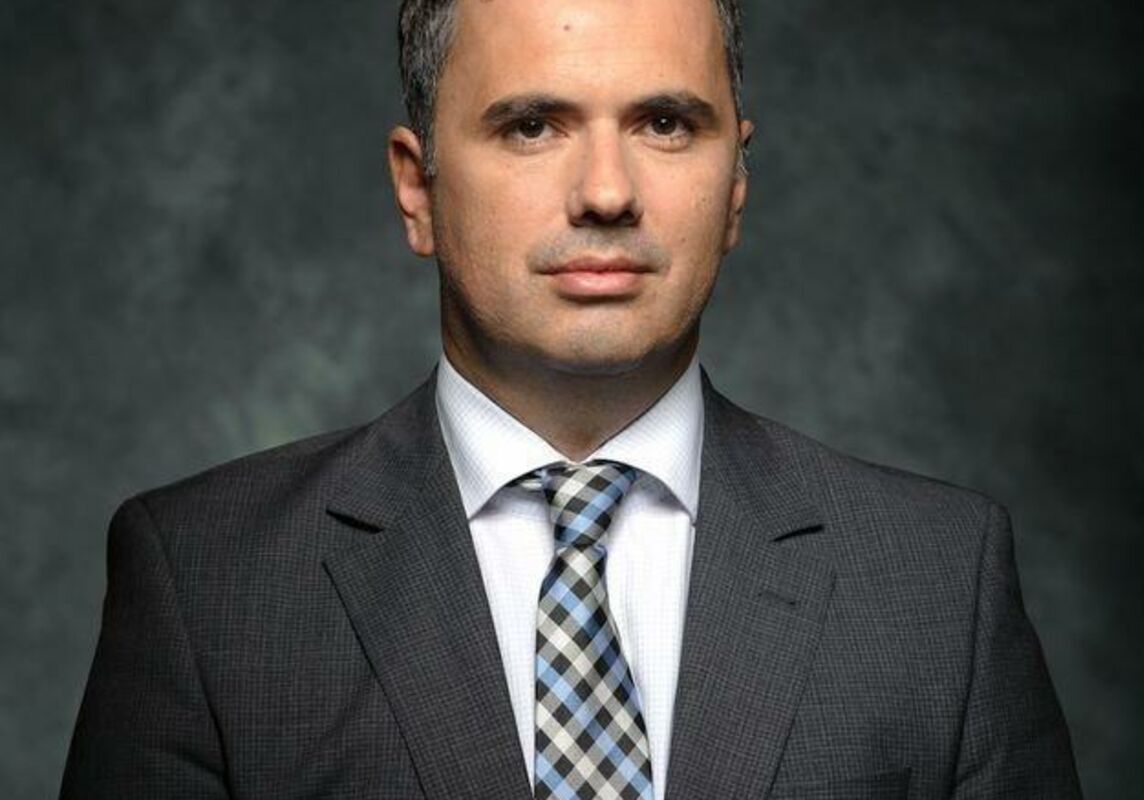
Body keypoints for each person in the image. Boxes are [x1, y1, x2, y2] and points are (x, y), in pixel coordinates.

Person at [61, 1, 1082, 797]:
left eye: (666, 123)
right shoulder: (209, 583)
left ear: (735, 184)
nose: (605, 192)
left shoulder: (938, 583)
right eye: (533, 125)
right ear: (417, 188)